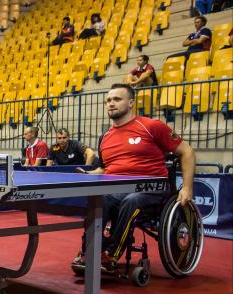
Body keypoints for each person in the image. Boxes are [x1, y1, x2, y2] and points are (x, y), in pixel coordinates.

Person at [73, 83, 195, 269]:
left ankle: (111, 255)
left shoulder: (151, 126)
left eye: (117, 99)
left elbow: (187, 152)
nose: (111, 104)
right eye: (108, 100)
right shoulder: (105, 137)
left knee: (132, 201)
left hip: (152, 189)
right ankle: (90, 251)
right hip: (117, 189)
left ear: (131, 103)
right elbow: (105, 169)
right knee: (98, 200)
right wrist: (88, 175)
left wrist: (187, 188)